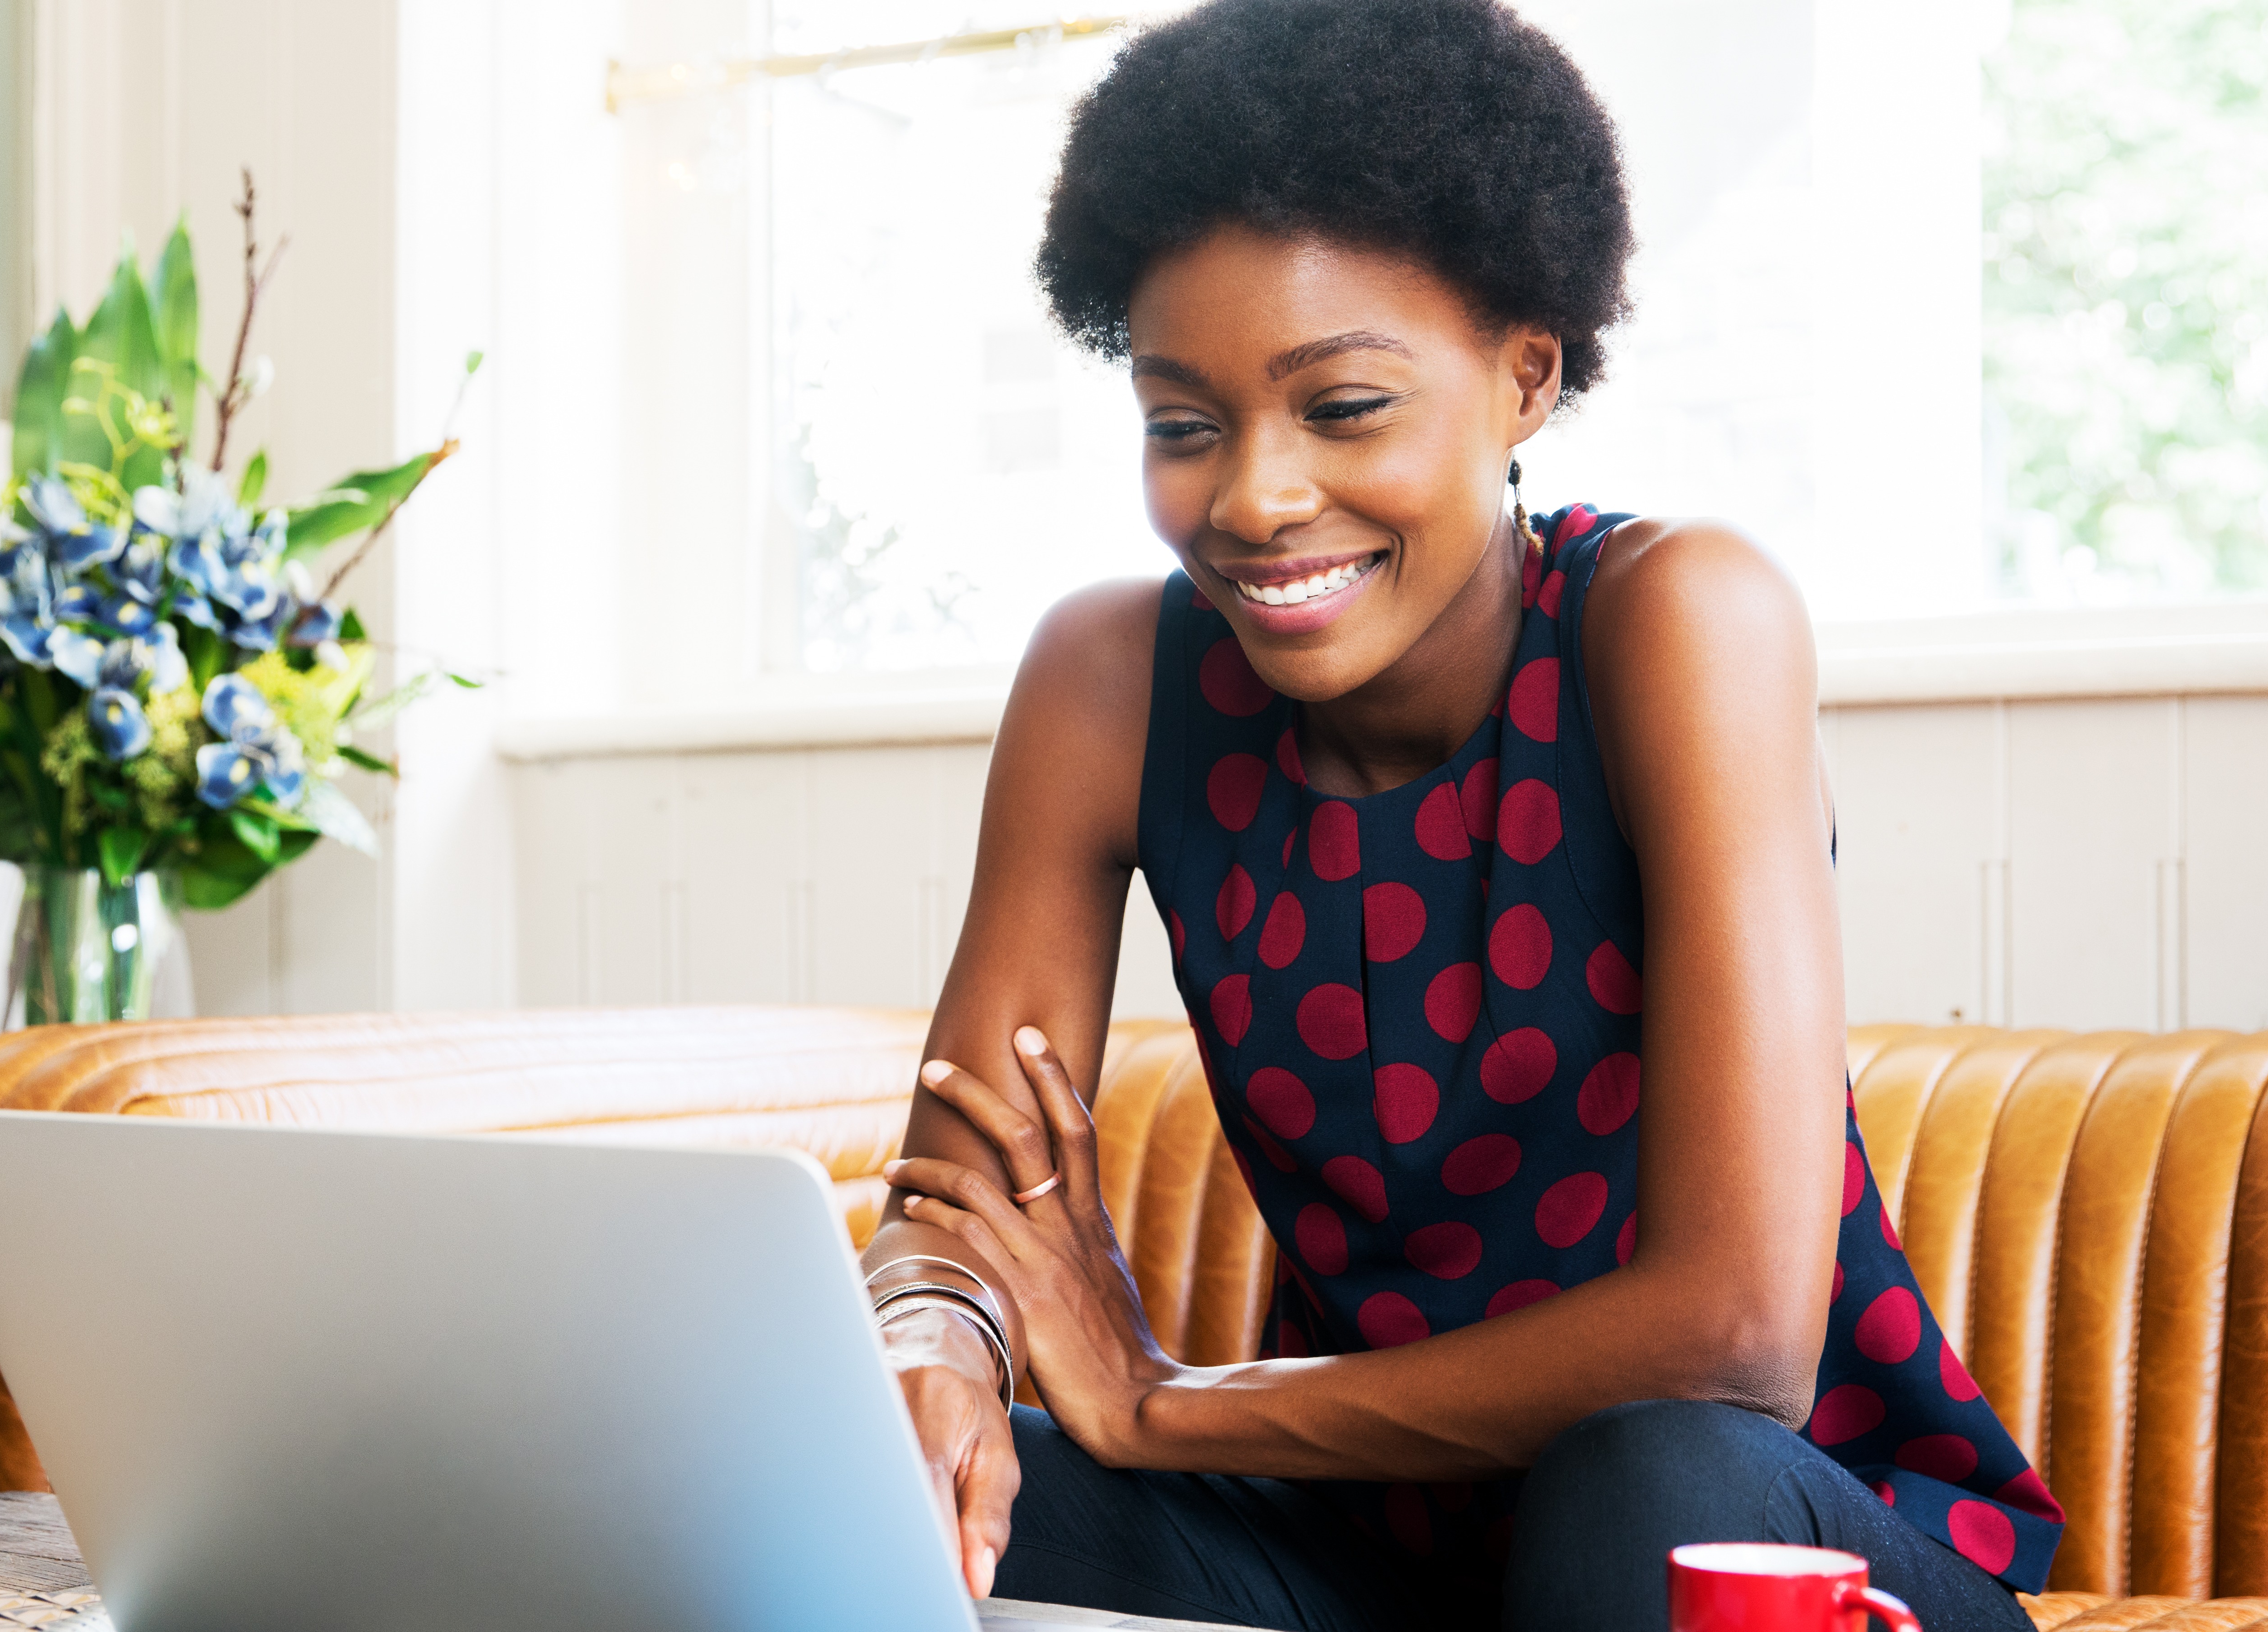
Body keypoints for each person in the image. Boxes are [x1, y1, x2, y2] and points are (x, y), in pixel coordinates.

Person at [857, 4, 2061, 1629]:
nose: (1255, 498)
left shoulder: (1676, 620)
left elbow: (1735, 1338)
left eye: (1343, 408)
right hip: (1379, 1550)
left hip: (1777, 1530)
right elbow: (959, 1205)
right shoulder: (1111, 676)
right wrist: (936, 1346)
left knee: (1650, 1481)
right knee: (951, 1499)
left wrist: (1164, 1402)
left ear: (1525, 379)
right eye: (1183, 424)